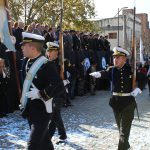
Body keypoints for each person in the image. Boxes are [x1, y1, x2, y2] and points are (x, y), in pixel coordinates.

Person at [90, 47, 147, 150]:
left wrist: (139, 88)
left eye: (118, 57)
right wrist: (99, 74)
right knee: (121, 131)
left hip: (128, 104)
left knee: (124, 133)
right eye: (114, 57)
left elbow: (144, 78)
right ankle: (127, 146)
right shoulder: (112, 70)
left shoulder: (131, 70)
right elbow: (105, 73)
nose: (115, 60)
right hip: (116, 104)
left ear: (124, 59)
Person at [20, 32, 64, 150]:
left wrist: (40, 93)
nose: (22, 47)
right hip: (30, 109)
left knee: (33, 145)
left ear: (33, 47)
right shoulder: (26, 62)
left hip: (43, 111)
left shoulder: (46, 64)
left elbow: (59, 86)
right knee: (44, 142)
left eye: (24, 45)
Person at [46, 42, 68, 143]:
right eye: (53, 52)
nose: (56, 54)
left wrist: (65, 80)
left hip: (58, 93)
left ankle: (49, 137)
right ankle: (62, 135)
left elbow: (69, 74)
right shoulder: (45, 63)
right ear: (48, 52)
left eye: (56, 52)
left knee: (55, 115)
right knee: (55, 115)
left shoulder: (60, 64)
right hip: (49, 93)